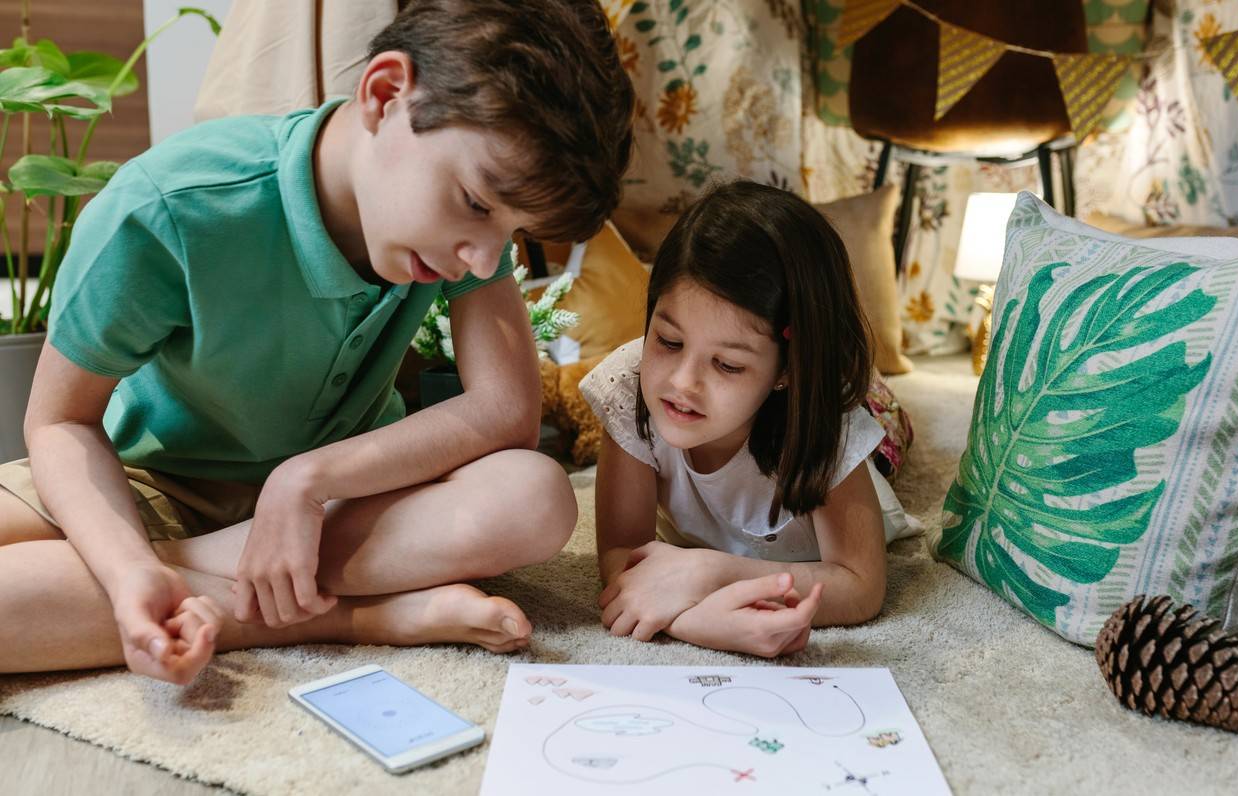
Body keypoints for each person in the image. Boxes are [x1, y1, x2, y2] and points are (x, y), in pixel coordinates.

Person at [0, 0, 634, 684]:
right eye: (478, 205)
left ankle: (184, 572)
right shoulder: (169, 204)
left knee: (536, 497)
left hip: (349, 502)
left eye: (511, 234)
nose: (482, 261)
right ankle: (352, 617)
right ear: (387, 94)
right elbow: (61, 421)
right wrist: (127, 569)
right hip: (154, 482)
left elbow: (506, 412)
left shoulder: (461, 237)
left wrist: (305, 482)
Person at [583, 180, 918, 658]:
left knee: (877, 407)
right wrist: (704, 624)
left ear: (786, 369)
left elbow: (861, 586)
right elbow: (622, 559)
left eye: (728, 365)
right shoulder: (632, 387)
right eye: (670, 341)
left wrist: (711, 573)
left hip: (839, 420)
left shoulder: (824, 423)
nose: (682, 382)